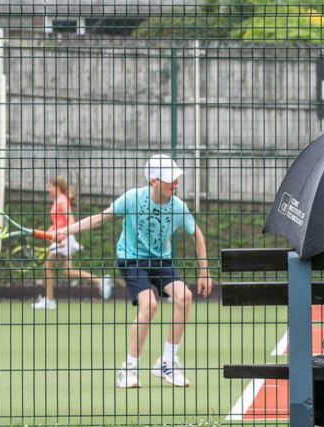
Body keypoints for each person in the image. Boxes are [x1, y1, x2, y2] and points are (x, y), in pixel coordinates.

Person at [60, 155, 212, 388]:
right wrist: (66, 230)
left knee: (185, 296)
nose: (175, 184)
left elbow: (198, 234)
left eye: (177, 179)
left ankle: (168, 362)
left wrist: (204, 272)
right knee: (149, 305)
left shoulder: (178, 207)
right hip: (131, 259)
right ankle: (129, 368)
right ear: (153, 180)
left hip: (161, 260)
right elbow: (100, 219)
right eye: (170, 179)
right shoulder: (133, 198)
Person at [31, 175, 113, 310]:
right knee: (68, 270)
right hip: (61, 237)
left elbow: (71, 222)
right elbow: (59, 222)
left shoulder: (62, 201)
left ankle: (50, 301)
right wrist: (49, 231)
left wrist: (63, 240)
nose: (48, 189)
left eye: (49, 186)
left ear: (57, 187)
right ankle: (100, 281)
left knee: (47, 267)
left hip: (64, 238)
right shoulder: (59, 200)